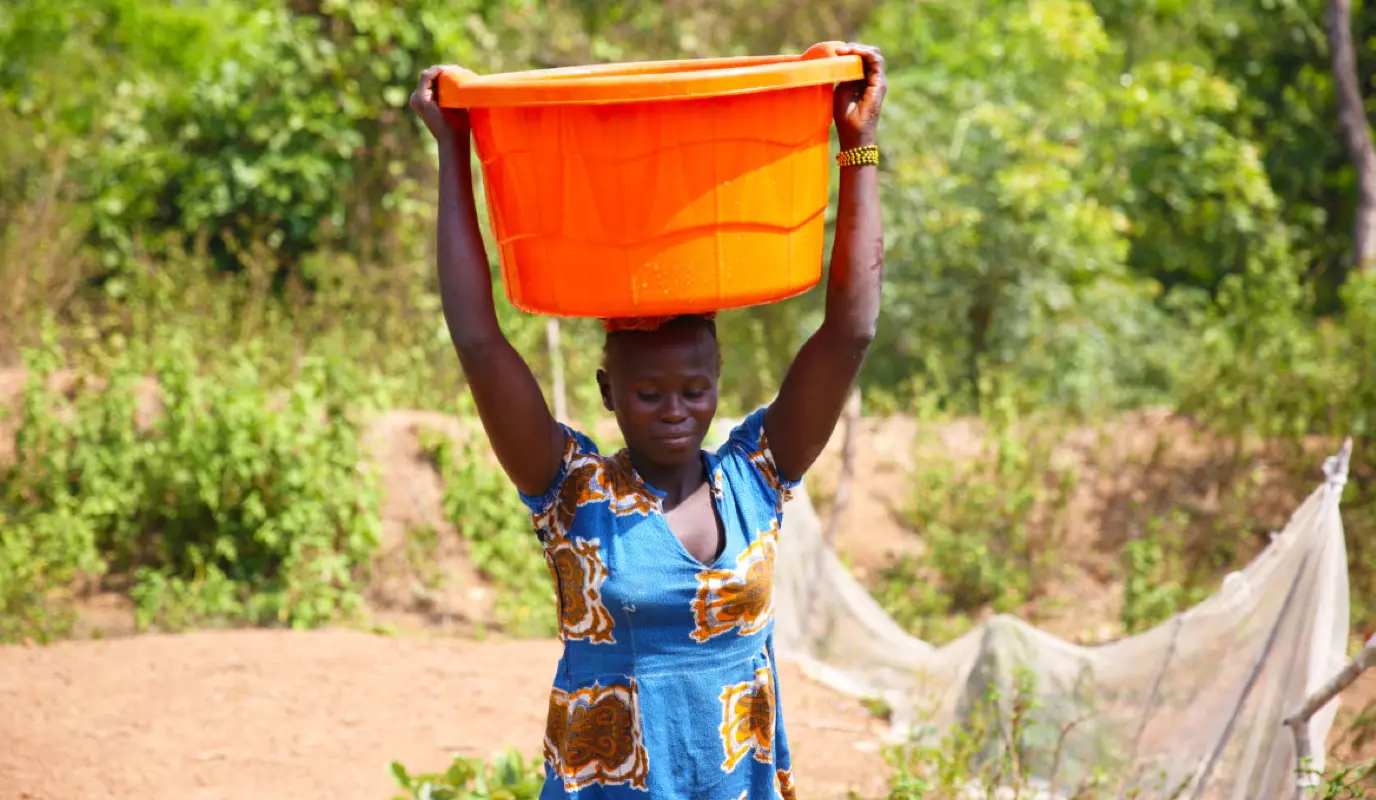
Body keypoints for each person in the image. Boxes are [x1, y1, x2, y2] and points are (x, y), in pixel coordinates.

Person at [409, 42, 886, 800]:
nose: (675, 412)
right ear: (607, 390)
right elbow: (477, 339)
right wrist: (455, 150)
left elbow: (849, 334)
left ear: (718, 382)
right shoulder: (573, 493)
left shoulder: (757, 473)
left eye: (694, 391)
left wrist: (855, 146)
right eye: (648, 394)